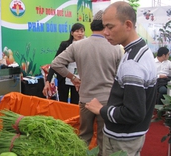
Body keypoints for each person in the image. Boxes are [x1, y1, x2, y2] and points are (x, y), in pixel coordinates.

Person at [85, 2, 157, 156]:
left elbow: (133, 113)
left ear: (128, 25)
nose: (105, 32)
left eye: (110, 27)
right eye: (104, 27)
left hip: (122, 139)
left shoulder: (133, 63)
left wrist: (101, 109)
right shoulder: (140, 50)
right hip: (132, 136)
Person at [50, 10, 122, 156]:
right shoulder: (116, 48)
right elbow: (120, 76)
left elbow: (56, 63)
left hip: (85, 99)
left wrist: (73, 78)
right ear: (106, 27)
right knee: (104, 138)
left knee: (84, 136)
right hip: (106, 101)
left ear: (90, 27)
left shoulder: (77, 46)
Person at [42, 23, 85, 104]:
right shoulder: (65, 45)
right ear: (72, 33)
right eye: (77, 31)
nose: (80, 33)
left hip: (78, 80)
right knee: (63, 103)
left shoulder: (86, 46)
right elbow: (55, 63)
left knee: (75, 103)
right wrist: (48, 81)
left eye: (82, 31)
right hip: (64, 78)